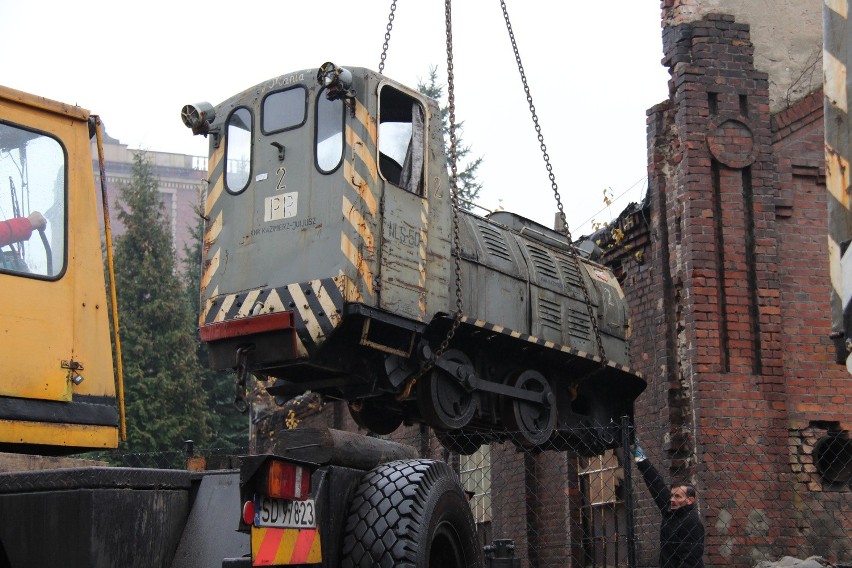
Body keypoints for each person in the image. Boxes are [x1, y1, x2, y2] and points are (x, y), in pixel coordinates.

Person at [633, 442, 705, 568]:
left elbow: (689, 560)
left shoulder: (691, 522)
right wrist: (642, 460)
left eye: (677, 496)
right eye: (672, 495)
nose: (672, 499)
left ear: (690, 500)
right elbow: (656, 484)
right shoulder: (670, 511)